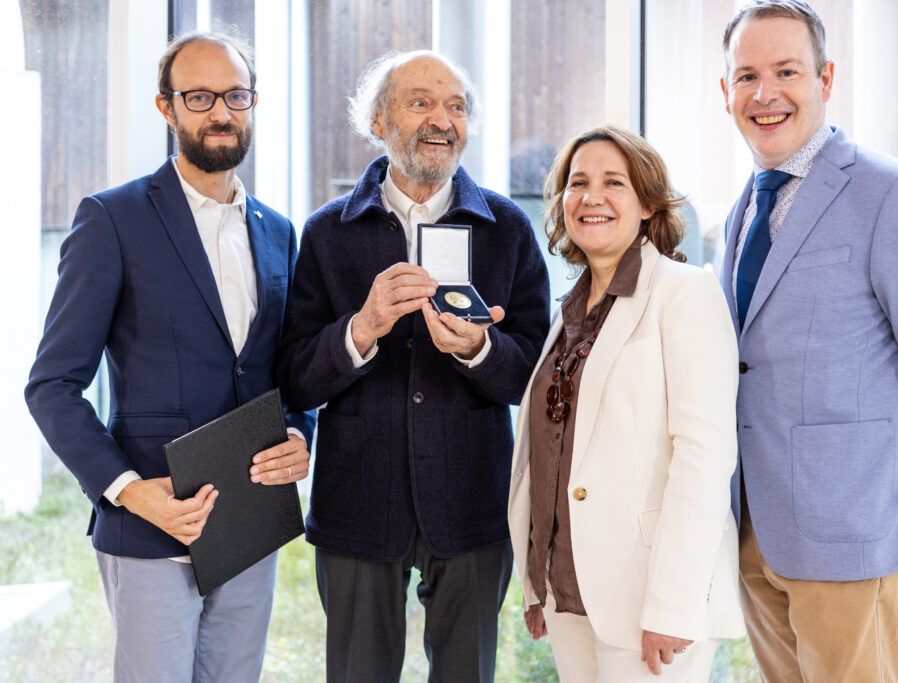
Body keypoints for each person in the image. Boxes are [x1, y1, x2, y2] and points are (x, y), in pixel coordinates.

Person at [24, 32, 315, 683]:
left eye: (234, 96)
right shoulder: (112, 220)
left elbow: (286, 370)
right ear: (167, 108)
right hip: (154, 526)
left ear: (253, 102)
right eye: (200, 96)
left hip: (251, 524)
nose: (220, 112)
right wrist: (129, 492)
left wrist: (301, 432)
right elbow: (52, 386)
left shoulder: (279, 232)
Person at [717, 2, 898, 680]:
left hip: (856, 537)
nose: (765, 93)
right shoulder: (742, 207)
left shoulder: (894, 194)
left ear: (825, 78)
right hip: (756, 532)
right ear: (724, 92)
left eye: (786, 70)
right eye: (746, 75)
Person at [276, 49, 550, 682]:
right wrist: (361, 329)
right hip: (356, 505)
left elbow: (535, 373)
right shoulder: (326, 234)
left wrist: (478, 351)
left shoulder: (508, 229)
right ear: (378, 119)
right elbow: (294, 376)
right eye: (420, 102)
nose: (442, 119)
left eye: (456, 106)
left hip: (472, 503)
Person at [507, 126, 746, 682]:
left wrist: (673, 602)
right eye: (578, 182)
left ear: (646, 203)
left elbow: (703, 459)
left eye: (614, 182)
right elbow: (549, 451)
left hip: (650, 601)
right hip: (570, 592)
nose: (592, 197)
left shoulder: (685, 294)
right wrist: (536, 578)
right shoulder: (566, 313)